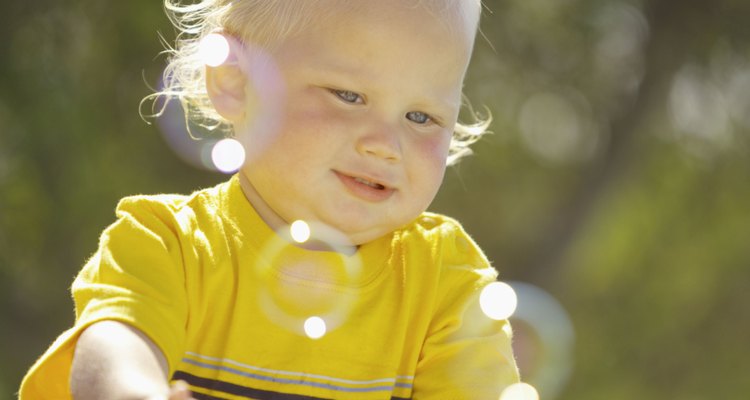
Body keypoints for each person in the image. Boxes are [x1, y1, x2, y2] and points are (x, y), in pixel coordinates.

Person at [19, 0, 520, 398]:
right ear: (235, 82)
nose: (385, 145)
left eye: (421, 117)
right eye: (348, 95)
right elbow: (111, 354)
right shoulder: (168, 242)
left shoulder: (444, 281)